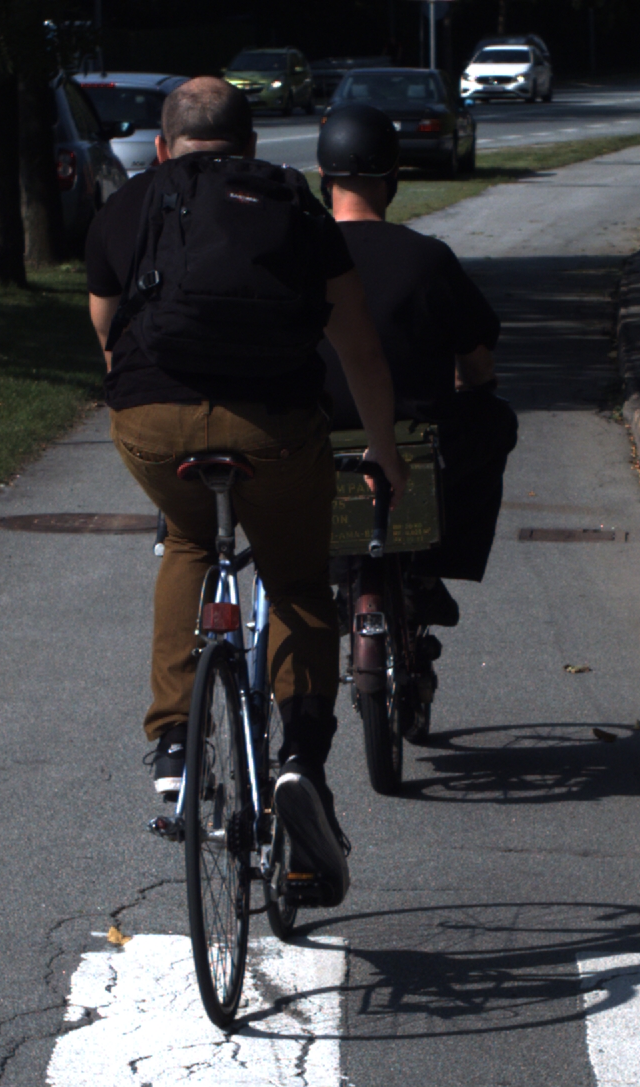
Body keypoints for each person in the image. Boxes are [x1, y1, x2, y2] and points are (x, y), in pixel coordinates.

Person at [86, 78, 408, 907]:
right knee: (296, 580)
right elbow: (359, 347)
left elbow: (106, 332)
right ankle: (300, 758)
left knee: (191, 539)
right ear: (252, 146)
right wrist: (382, 448)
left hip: (154, 423)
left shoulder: (127, 206)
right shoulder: (293, 206)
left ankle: (174, 748)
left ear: (163, 147)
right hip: (275, 429)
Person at [315, 104, 516, 630]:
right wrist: (474, 383)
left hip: (313, 440)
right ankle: (429, 572)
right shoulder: (427, 258)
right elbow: (478, 362)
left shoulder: (295, 256)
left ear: (324, 179)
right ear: (393, 177)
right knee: (494, 421)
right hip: (410, 444)